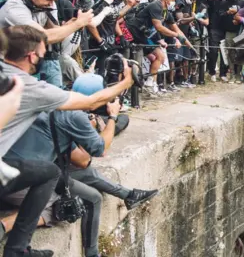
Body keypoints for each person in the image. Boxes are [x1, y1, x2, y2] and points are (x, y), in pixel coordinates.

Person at [0, 25, 134, 256]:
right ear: (31, 56)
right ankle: (16, 249)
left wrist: (80, 20)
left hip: (11, 164)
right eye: (43, 54)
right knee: (52, 177)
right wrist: (126, 84)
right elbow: (92, 106)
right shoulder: (28, 87)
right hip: (7, 176)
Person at [4, 73, 157, 257]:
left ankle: (127, 195)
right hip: (24, 180)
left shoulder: (53, 102)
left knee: (90, 191)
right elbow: (92, 154)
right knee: (60, 207)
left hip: (17, 169)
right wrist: (113, 117)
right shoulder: (74, 116)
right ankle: (4, 226)